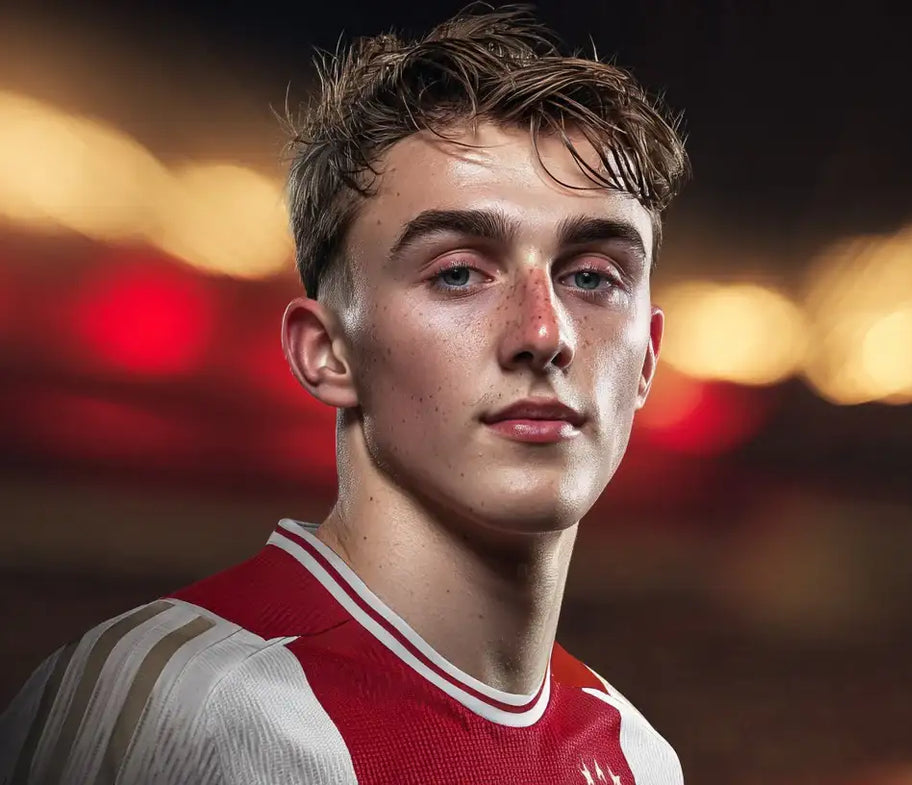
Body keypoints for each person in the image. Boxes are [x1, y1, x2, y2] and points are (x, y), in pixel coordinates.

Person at [0, 6, 689, 783]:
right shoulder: (180, 706)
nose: (544, 331)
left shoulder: (640, 757)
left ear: (646, 361)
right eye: (458, 271)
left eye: (593, 276)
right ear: (328, 353)